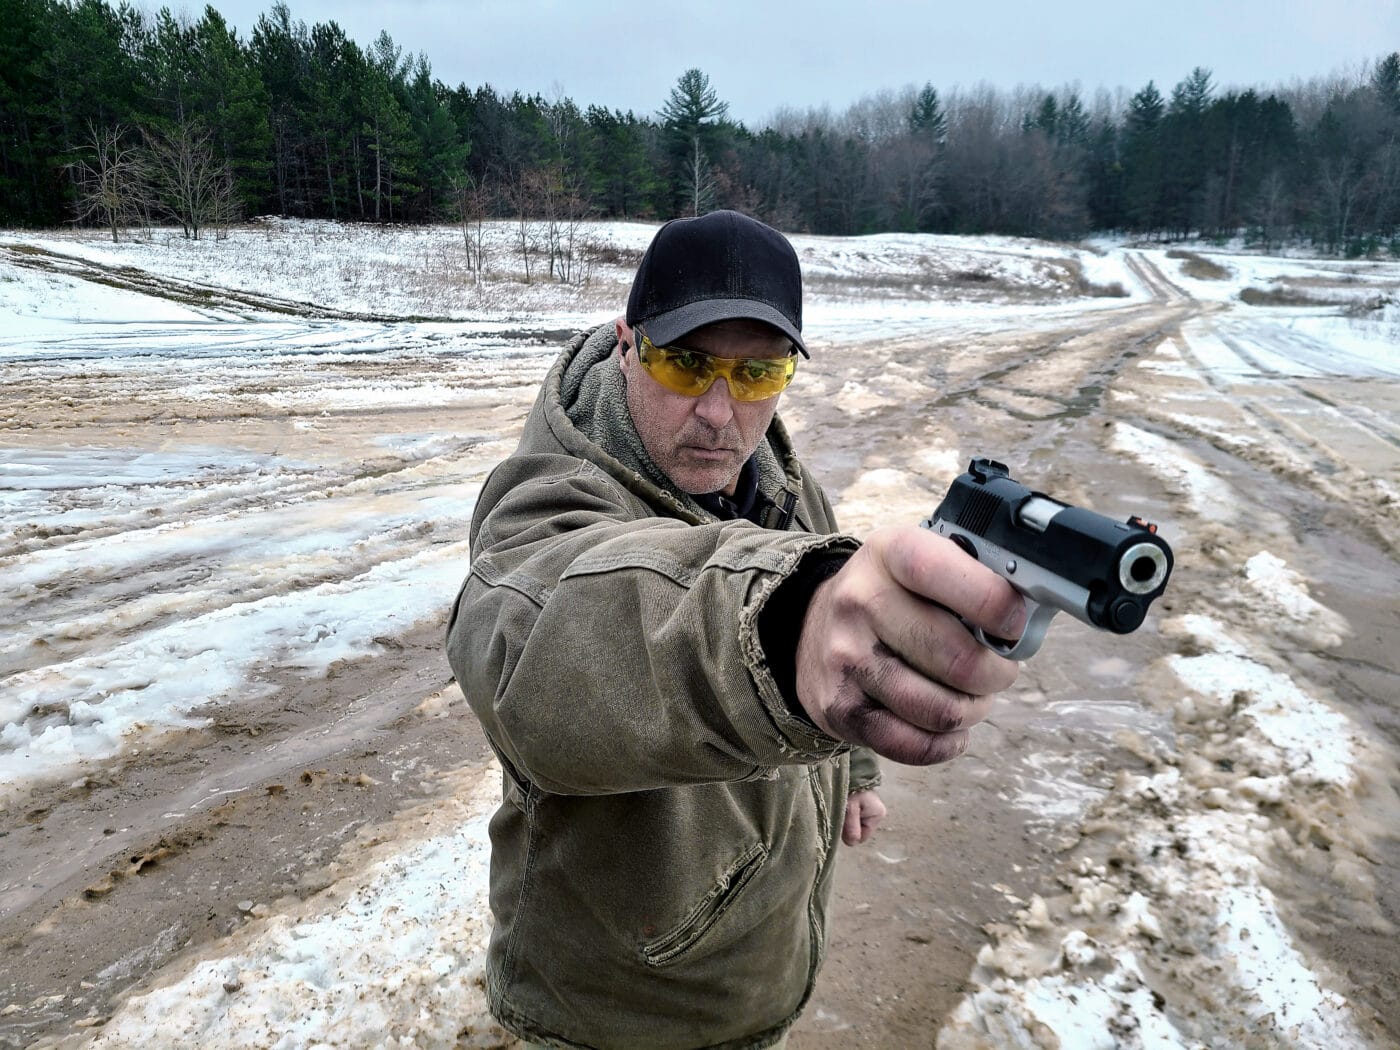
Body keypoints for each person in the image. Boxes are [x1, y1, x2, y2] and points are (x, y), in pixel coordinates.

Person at [446, 210, 1024, 1049]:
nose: (720, 413)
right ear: (625, 345)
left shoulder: (781, 482)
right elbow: (537, 642)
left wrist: (854, 763)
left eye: (757, 374)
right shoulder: (549, 494)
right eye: (687, 364)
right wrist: (785, 627)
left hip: (756, 969)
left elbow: (835, 623)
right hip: (620, 1009)